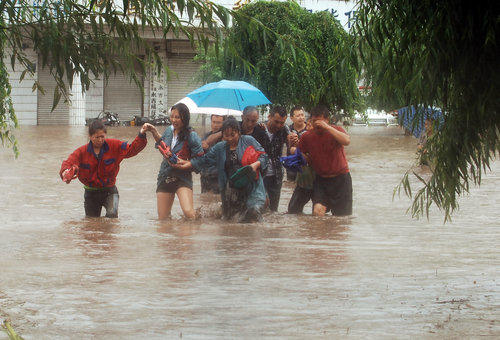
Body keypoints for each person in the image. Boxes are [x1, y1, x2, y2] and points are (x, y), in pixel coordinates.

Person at [172, 117, 268, 223]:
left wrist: (255, 165)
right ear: (222, 135)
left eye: (233, 135)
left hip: (252, 189)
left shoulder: (248, 140)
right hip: (231, 191)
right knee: (231, 221)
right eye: (226, 135)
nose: (230, 138)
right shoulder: (220, 147)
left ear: (239, 132)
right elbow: (205, 160)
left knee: (253, 212)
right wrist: (189, 163)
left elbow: (263, 156)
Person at [59, 120, 151, 218]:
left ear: (105, 135)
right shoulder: (81, 152)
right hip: (91, 194)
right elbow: (69, 163)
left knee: (112, 217)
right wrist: (66, 172)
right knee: (92, 224)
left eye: (102, 136)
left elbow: (132, 149)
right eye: (97, 137)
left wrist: (141, 134)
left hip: (110, 191)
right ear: (90, 136)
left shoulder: (114, 145)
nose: (100, 140)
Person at [148, 103, 204, 220]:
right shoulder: (169, 130)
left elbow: (200, 160)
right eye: (172, 116)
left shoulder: (192, 136)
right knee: (163, 219)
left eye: (177, 117)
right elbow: (162, 145)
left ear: (185, 118)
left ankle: (192, 234)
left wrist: (187, 164)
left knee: (189, 213)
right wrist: (153, 132)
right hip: (165, 175)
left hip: (182, 177)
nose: (174, 120)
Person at [296, 104, 352, 216]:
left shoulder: (336, 130)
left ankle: (333, 233)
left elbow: (346, 141)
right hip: (321, 180)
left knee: (342, 218)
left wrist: (327, 127)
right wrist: (292, 146)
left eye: (320, 121)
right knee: (318, 211)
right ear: (310, 120)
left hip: (341, 179)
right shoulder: (307, 136)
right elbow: (298, 152)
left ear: (327, 120)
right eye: (314, 120)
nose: (317, 124)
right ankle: (319, 233)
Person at [262, 105, 294, 212]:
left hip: (276, 175)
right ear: (269, 116)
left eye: (282, 122)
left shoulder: (284, 129)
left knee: (273, 210)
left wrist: (292, 141)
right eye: (276, 122)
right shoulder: (259, 128)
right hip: (260, 174)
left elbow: (291, 146)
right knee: (261, 204)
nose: (279, 125)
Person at [287, 118, 315, 214]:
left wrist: (296, 150)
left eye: (310, 125)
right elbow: (292, 150)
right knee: (292, 210)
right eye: (307, 125)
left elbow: (311, 159)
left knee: (318, 210)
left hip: (318, 182)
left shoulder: (320, 140)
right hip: (303, 181)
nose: (307, 128)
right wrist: (292, 144)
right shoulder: (305, 138)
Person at [200, 114, 225, 194]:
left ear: (223, 124)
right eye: (213, 122)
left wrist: (208, 149)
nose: (215, 125)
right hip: (205, 175)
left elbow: (222, 157)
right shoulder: (206, 136)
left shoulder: (225, 138)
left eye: (218, 123)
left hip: (217, 177)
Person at [286, 106, 308, 181]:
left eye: (302, 115)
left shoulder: (309, 128)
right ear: (291, 118)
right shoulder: (287, 130)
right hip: (291, 164)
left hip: (306, 165)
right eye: (298, 116)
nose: (301, 117)